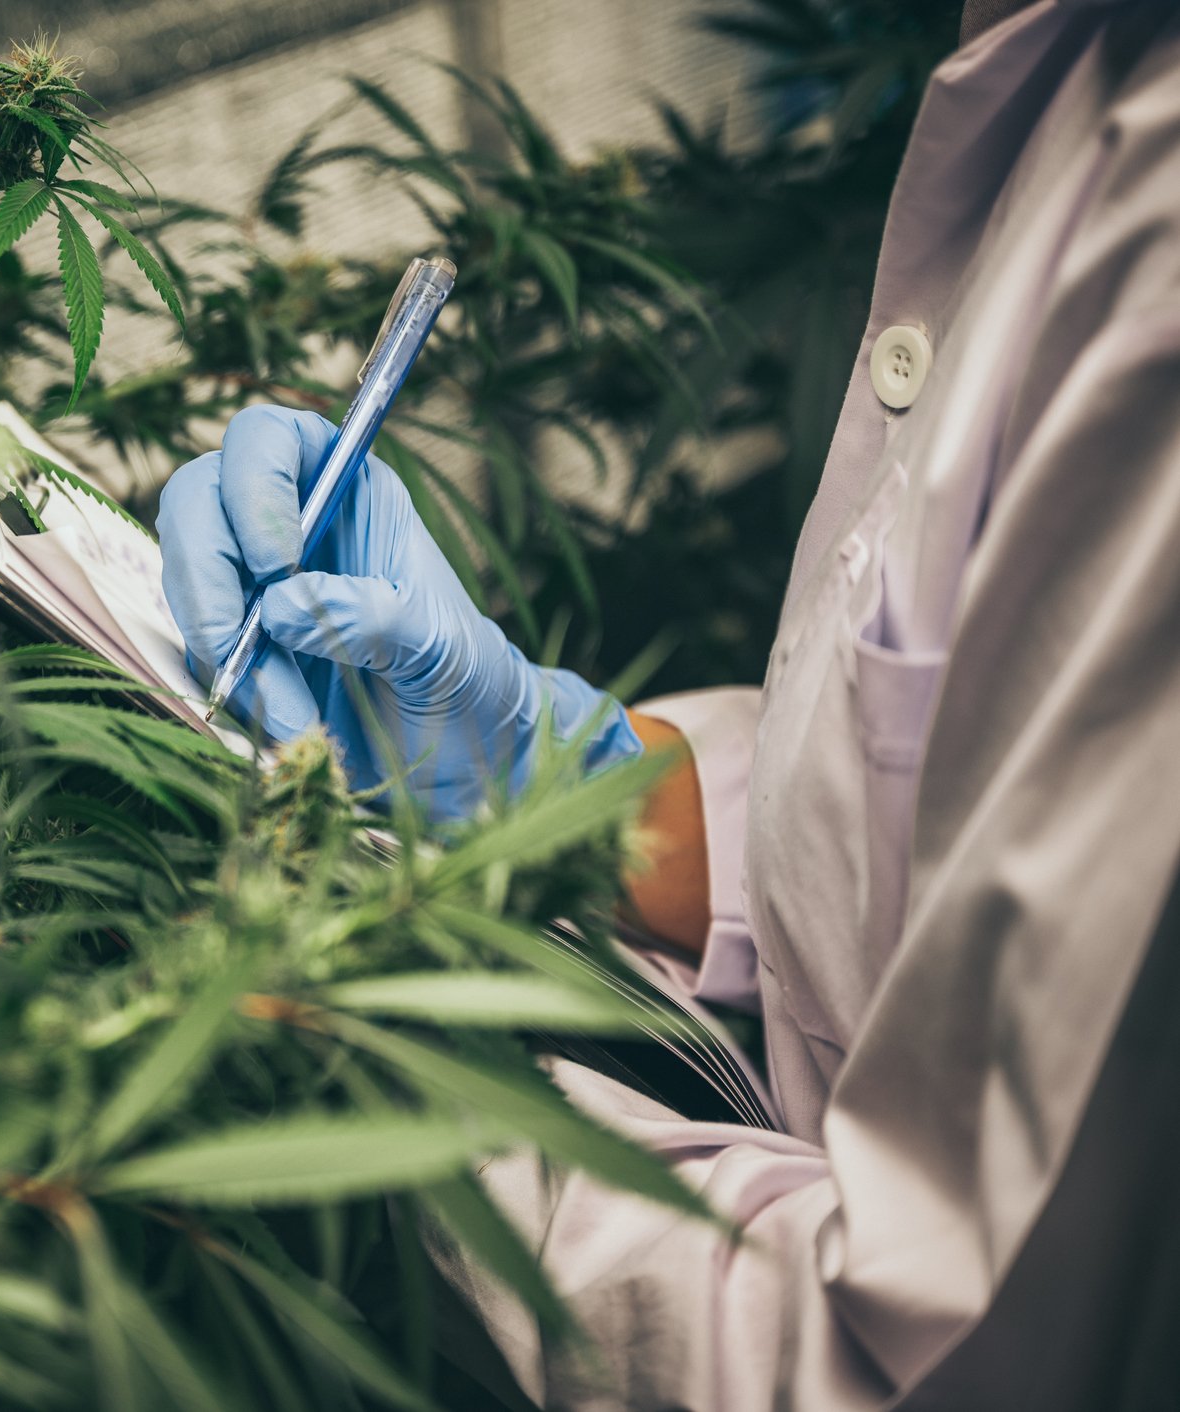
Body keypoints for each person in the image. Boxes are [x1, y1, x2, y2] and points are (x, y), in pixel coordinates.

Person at [156, 0, 1180, 1405]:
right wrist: (564, 786)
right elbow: (948, 822)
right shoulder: (1059, 71)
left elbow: (936, 1369)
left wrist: (353, 1091)